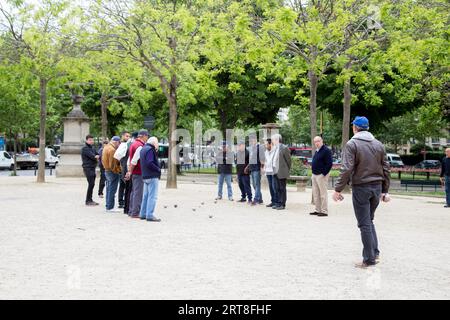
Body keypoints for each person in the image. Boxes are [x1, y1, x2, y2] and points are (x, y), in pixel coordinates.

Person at [333, 116, 390, 269]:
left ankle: (369, 259)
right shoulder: (378, 145)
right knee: (369, 221)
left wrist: (338, 189)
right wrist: (385, 190)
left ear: (355, 128)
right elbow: (386, 169)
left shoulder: (352, 144)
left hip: (361, 187)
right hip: (377, 187)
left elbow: (346, 168)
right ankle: (375, 252)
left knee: (364, 223)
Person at [125, 130, 149, 218]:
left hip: (135, 172)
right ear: (143, 136)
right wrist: (130, 171)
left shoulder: (133, 144)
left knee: (134, 192)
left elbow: (129, 160)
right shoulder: (140, 146)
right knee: (138, 193)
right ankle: (135, 212)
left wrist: (129, 171)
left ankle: (131, 211)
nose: (147, 138)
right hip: (138, 172)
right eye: (147, 136)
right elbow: (134, 161)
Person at [139, 136, 162, 222]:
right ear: (154, 143)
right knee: (152, 196)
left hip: (145, 175)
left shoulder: (143, 149)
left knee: (146, 196)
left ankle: (143, 213)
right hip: (152, 175)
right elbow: (149, 162)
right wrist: (158, 169)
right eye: (157, 143)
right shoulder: (150, 150)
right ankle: (149, 215)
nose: (158, 145)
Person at [310, 136, 333, 217]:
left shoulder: (326, 150)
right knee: (316, 193)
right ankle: (317, 209)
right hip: (314, 174)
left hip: (321, 175)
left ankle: (324, 211)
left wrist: (323, 174)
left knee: (323, 194)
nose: (316, 143)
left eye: (318, 141)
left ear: (322, 141)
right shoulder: (317, 151)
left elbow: (329, 164)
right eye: (315, 141)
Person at [102, 136, 122, 212]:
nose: (119, 145)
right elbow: (112, 164)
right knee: (112, 190)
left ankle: (108, 205)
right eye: (119, 143)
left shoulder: (106, 147)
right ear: (116, 142)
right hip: (112, 171)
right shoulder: (112, 149)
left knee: (108, 189)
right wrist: (118, 170)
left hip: (106, 170)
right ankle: (110, 207)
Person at [271, 134, 291, 210]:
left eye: (273, 140)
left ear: (277, 139)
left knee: (282, 188)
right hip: (275, 171)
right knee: (277, 188)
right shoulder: (275, 148)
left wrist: (286, 170)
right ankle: (278, 203)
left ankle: (283, 204)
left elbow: (288, 160)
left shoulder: (284, 148)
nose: (272, 141)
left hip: (282, 171)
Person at [113, 131, 131, 209]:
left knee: (123, 185)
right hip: (123, 167)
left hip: (123, 167)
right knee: (123, 185)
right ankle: (121, 201)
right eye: (126, 136)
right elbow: (117, 156)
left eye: (129, 136)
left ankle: (122, 201)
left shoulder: (125, 145)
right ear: (123, 136)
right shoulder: (123, 145)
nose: (128, 137)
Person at [81, 134, 100, 206]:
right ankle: (88, 200)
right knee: (91, 184)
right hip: (88, 168)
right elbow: (93, 156)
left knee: (92, 184)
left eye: (92, 140)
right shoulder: (85, 148)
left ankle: (90, 199)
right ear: (86, 140)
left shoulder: (92, 148)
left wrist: (97, 156)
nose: (91, 141)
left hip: (92, 168)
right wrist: (96, 156)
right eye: (90, 140)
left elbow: (98, 154)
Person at [248, 136, 265, 205]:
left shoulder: (259, 148)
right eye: (250, 141)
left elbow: (262, 158)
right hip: (252, 168)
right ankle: (260, 199)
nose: (251, 142)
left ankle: (256, 199)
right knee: (254, 184)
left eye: (252, 140)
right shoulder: (251, 148)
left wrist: (262, 168)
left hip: (257, 168)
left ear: (255, 140)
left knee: (257, 184)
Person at [263, 138, 278, 208]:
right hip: (268, 171)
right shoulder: (266, 152)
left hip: (273, 171)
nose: (265, 146)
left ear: (270, 144)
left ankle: (276, 202)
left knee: (274, 186)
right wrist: (264, 168)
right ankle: (273, 201)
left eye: (266, 144)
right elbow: (266, 161)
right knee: (270, 187)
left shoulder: (275, 151)